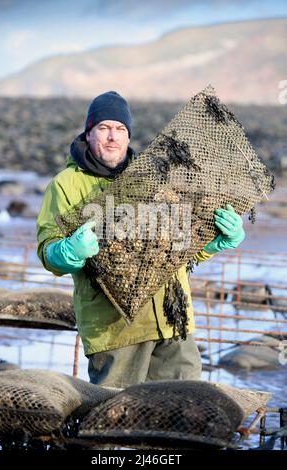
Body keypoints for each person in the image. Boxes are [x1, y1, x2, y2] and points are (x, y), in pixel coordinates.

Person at [37, 91, 245, 389]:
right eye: (104, 128)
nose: (112, 136)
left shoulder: (155, 177)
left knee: (183, 413)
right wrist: (69, 251)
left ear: (128, 135)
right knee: (117, 420)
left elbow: (177, 248)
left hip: (174, 321)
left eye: (120, 129)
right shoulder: (65, 185)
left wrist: (212, 244)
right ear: (89, 132)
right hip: (115, 331)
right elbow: (48, 253)